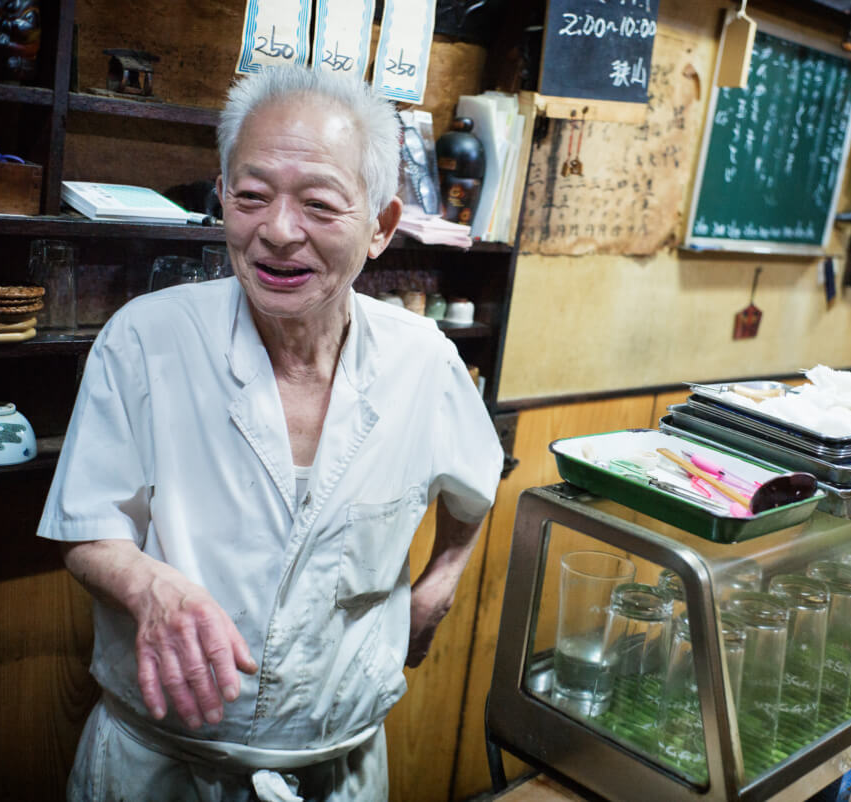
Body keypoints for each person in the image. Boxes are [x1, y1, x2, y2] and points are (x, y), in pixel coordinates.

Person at [37, 66, 504, 802]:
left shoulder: (425, 364)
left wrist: (437, 587)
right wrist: (147, 584)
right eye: (250, 196)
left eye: (319, 203)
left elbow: (478, 486)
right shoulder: (145, 341)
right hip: (159, 767)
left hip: (339, 766)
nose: (277, 232)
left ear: (381, 227)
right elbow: (87, 526)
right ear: (221, 198)